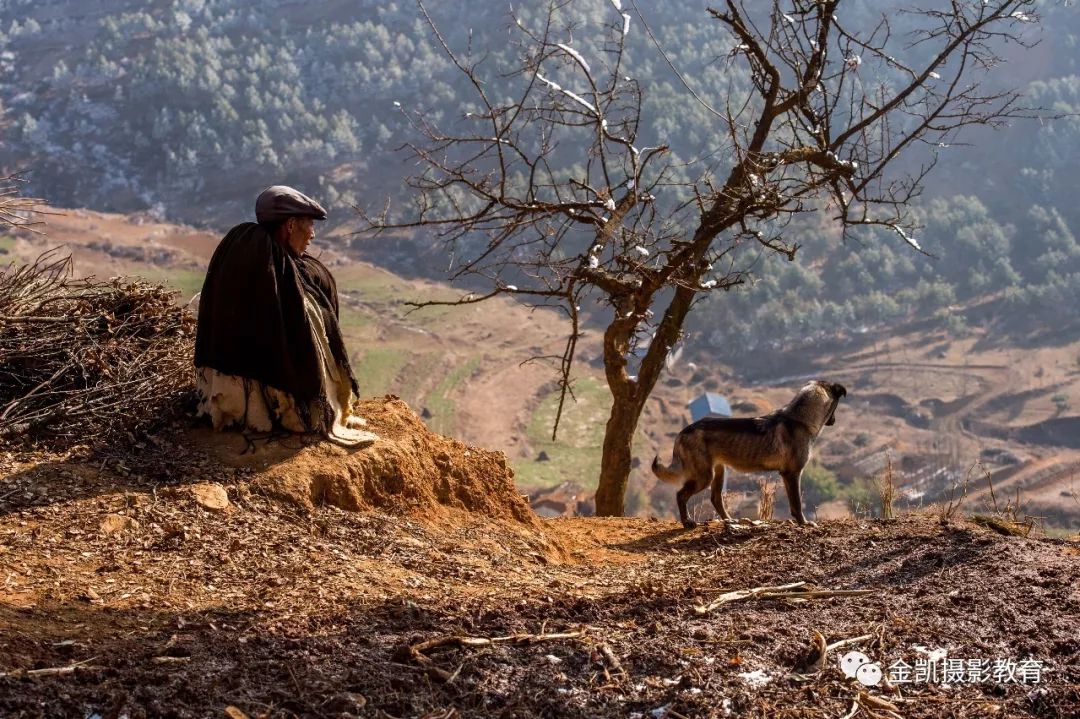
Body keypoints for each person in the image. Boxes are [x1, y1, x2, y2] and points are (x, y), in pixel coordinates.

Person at [194, 185, 376, 447]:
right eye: (309, 225)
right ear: (290, 225)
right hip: (253, 389)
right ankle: (290, 411)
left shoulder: (281, 262)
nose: (312, 235)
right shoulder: (262, 264)